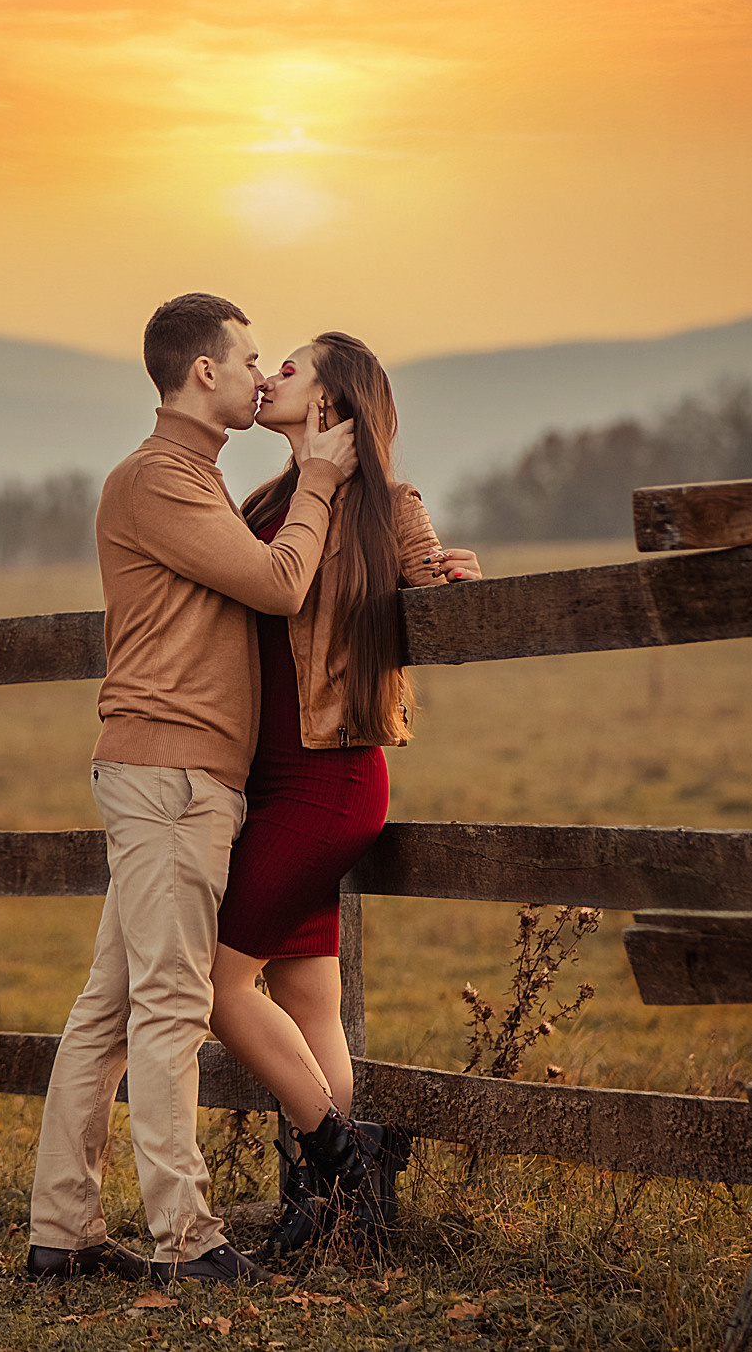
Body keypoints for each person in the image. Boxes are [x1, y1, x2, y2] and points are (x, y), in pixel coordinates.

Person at [25, 293, 358, 1287]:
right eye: (251, 357)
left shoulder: (193, 478)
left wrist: (416, 564)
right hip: (171, 775)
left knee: (111, 1008)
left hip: (170, 772)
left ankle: (63, 1233)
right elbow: (277, 584)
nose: (264, 375)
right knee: (171, 1008)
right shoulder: (160, 480)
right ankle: (186, 1242)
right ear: (202, 371)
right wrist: (319, 480)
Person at [207, 332, 480, 1259]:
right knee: (305, 994)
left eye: (290, 368)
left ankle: (348, 1164)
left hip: (332, 780)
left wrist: (453, 585)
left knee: (214, 983)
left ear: (333, 400)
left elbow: (433, 590)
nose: (272, 377)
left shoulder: (388, 507)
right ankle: (323, 1210)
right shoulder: (265, 506)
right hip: (268, 779)